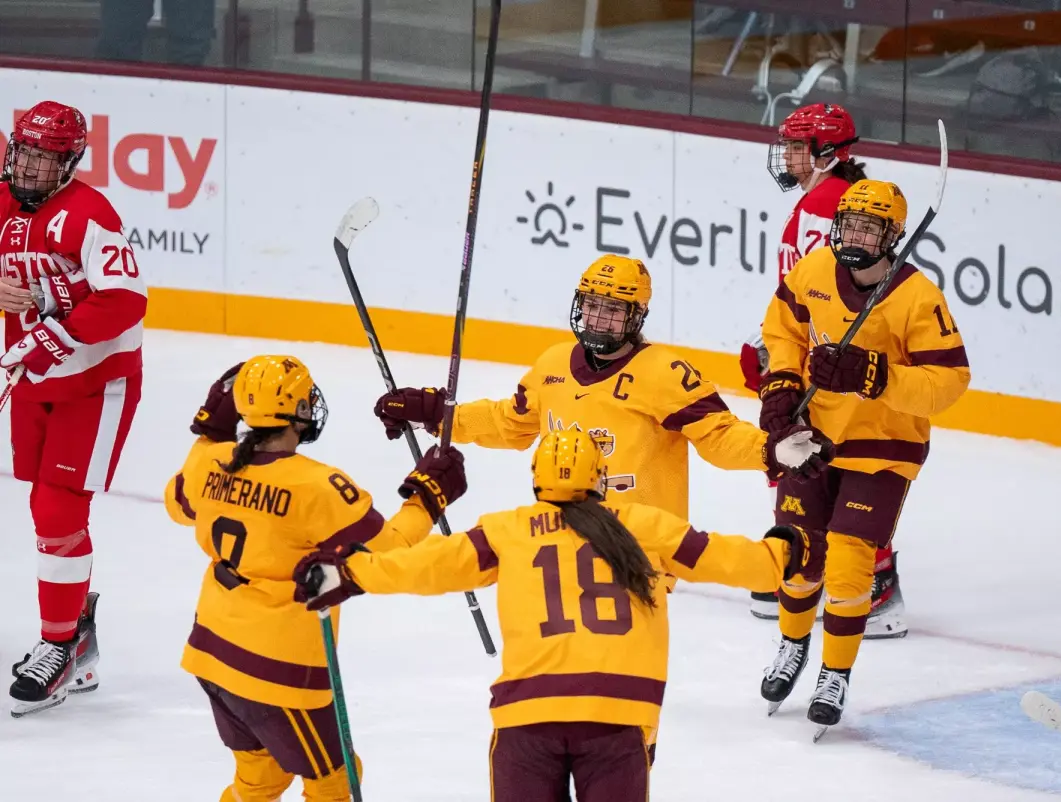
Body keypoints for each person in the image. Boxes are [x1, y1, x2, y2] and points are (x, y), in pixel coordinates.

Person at [296, 429, 819, 801]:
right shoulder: (640, 524)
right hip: (617, 720)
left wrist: (351, 573)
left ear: (536, 479)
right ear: (601, 477)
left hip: (527, 721)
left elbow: (422, 566)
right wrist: (785, 548)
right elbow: (734, 561)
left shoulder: (506, 530)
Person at [373, 254, 825, 587]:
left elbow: (720, 437)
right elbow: (509, 423)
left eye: (612, 309)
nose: (598, 317)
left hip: (641, 549)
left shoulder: (665, 373)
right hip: (563, 537)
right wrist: (439, 416)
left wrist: (771, 449)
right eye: (592, 304)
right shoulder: (552, 365)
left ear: (636, 316)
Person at [163, 355, 468, 801]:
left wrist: (210, 433)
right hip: (279, 672)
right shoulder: (319, 486)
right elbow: (388, 554)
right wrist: (426, 498)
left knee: (259, 779)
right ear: (299, 410)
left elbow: (178, 506)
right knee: (334, 780)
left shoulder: (210, 461)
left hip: (210, 652)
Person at [756, 179, 970, 726]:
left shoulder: (918, 297)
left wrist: (874, 375)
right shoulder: (814, 270)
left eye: (869, 228)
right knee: (797, 555)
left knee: (850, 565)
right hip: (815, 438)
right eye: (849, 224)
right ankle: (792, 644)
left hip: (883, 447)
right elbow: (783, 329)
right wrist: (781, 384)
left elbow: (948, 383)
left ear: (892, 236)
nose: (855, 236)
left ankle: (835, 674)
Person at [0, 101, 146, 717]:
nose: (29, 167)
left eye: (45, 158)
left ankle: (60, 645)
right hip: (32, 381)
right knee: (44, 506)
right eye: (23, 152)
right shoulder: (4, 198)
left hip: (95, 383)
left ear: (69, 163)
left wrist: (50, 319)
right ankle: (78, 630)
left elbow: (126, 298)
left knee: (57, 511)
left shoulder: (92, 215)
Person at [740, 104, 903, 631]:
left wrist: (795, 355)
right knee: (822, 458)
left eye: (795, 146)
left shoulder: (827, 204)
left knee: (814, 454)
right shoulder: (826, 196)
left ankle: (829, 570)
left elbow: (826, 288)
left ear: (827, 153)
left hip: (823, 359)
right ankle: (838, 571)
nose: (786, 155)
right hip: (817, 349)